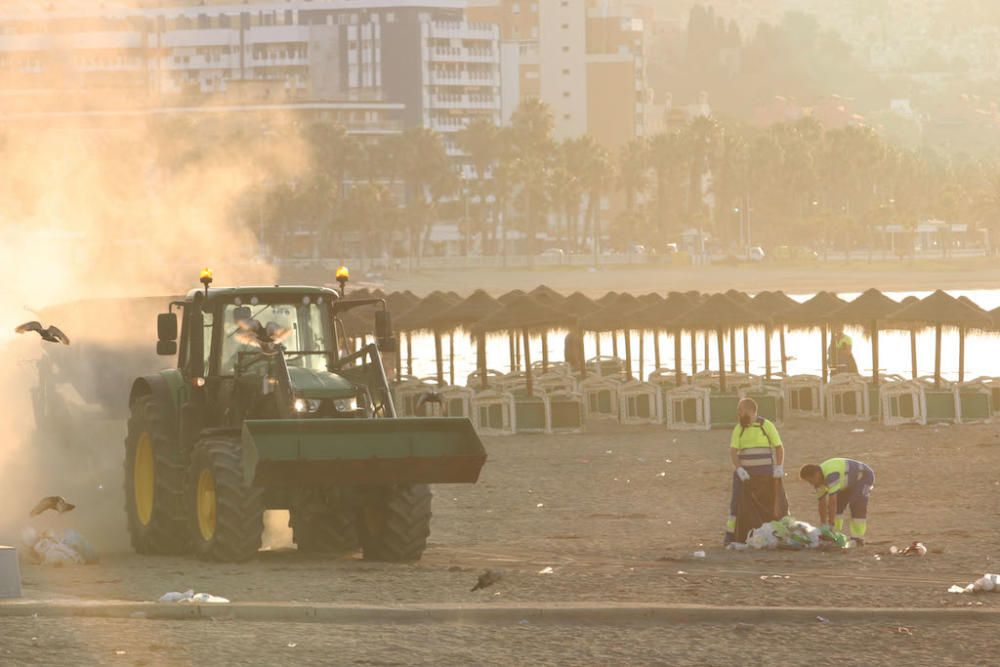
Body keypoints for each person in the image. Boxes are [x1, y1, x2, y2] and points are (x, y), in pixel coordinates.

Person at [725, 398, 788, 545]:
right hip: (745, 476)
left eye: (740, 411)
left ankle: (775, 533)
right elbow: (733, 451)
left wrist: (779, 467)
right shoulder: (739, 428)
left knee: (772, 504)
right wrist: (739, 469)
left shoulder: (766, 426)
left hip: (766, 474)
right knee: (736, 504)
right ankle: (730, 536)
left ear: (750, 411)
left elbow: (779, 447)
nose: (738, 414)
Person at [799, 458, 875, 546]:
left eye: (811, 481)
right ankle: (835, 533)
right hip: (847, 480)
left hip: (863, 477)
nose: (811, 484)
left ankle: (858, 537)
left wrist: (830, 524)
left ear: (816, 475)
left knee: (857, 505)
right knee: (839, 506)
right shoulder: (818, 481)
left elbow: (832, 502)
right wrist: (823, 525)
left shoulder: (832, 475)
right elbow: (822, 503)